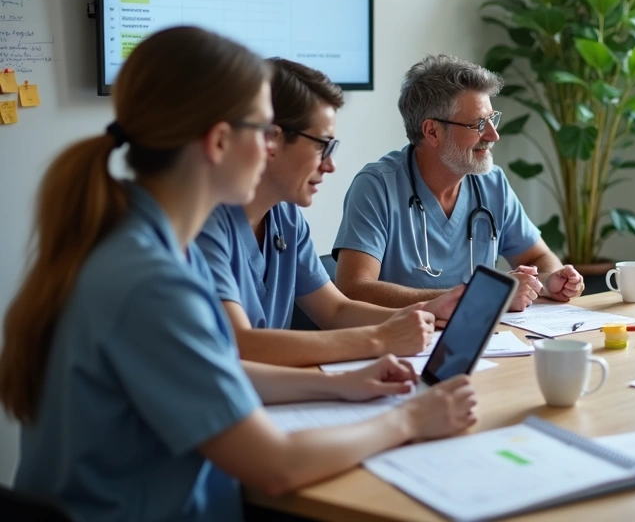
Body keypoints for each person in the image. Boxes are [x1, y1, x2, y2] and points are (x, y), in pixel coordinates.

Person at [0, 27, 478, 522]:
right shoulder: (153, 282)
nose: (270, 147)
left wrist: (340, 385)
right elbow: (276, 467)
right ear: (220, 141)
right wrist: (410, 418)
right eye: (264, 131)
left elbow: (217, 369)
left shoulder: (144, 244)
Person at [197, 58, 448, 367]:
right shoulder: (201, 223)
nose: (330, 165)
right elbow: (241, 346)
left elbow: (336, 311)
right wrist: (379, 339)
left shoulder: (286, 217)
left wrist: (426, 312)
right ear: (271, 139)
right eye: (321, 146)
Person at [333, 54, 584, 314]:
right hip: (404, 336)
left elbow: (538, 257)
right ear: (432, 131)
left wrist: (549, 281)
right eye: (478, 124)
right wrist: (481, 294)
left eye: (492, 119)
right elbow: (354, 290)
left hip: (480, 334)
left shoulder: (492, 183)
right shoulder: (376, 187)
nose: (493, 135)